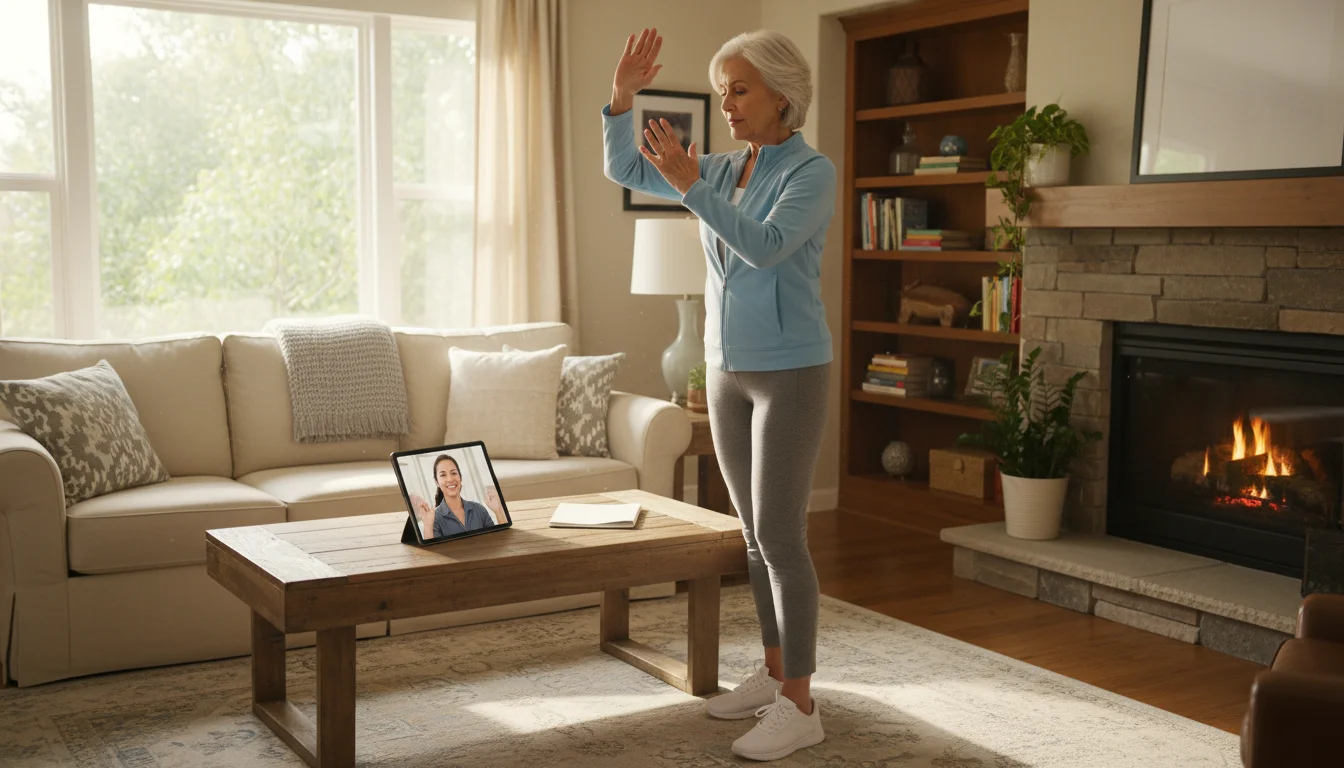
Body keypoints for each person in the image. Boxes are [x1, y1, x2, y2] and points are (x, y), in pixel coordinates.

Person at [603, 27, 833, 763]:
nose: (725, 104)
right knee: (752, 536)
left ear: (781, 95)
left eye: (739, 90)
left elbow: (764, 245)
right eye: (721, 90)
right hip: (726, 367)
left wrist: (690, 185)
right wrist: (621, 98)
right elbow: (624, 169)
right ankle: (772, 674)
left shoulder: (812, 172)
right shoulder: (728, 165)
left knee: (783, 538)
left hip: (791, 369)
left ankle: (802, 706)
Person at [409, 455, 504, 538]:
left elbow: (498, 540)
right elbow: (433, 556)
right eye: (443, 475)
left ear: (460, 477)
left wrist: (498, 510)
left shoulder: (479, 509)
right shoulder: (434, 518)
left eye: (454, 473)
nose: (450, 479)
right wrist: (428, 525)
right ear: (436, 482)